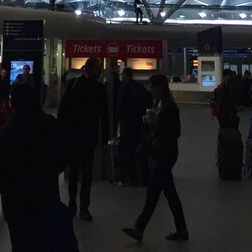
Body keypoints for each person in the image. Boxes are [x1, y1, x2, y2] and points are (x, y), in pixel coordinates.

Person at [0, 83, 74, 252]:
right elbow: (63, 156)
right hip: (45, 196)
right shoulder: (48, 124)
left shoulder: (8, 129)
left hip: (16, 201)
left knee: (20, 244)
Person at [121, 74, 188, 243]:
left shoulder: (168, 107)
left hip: (166, 153)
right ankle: (181, 229)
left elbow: (173, 131)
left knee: (154, 192)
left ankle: (140, 227)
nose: (152, 91)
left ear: (161, 88)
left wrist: (155, 124)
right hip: (164, 153)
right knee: (168, 192)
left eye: (153, 87)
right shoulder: (160, 105)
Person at [57, 58, 109, 221]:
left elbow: (63, 110)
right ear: (90, 69)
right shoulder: (95, 88)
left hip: (78, 136)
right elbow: (103, 115)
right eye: (98, 68)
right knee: (81, 171)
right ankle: (79, 206)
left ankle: (77, 205)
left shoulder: (75, 85)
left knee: (79, 171)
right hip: (83, 135)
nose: (100, 71)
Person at [116, 68, 153, 187]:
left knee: (128, 152)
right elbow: (149, 100)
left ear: (125, 75)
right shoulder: (140, 87)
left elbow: (120, 106)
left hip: (128, 124)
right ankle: (145, 177)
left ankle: (132, 178)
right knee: (140, 151)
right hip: (139, 124)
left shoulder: (124, 88)